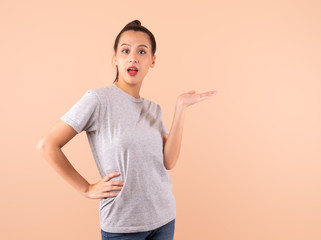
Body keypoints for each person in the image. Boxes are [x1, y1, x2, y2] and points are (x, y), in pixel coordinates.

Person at [36, 19, 217, 240]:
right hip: (123, 225)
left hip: (164, 219)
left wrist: (180, 108)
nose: (133, 57)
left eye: (142, 51)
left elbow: (169, 162)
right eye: (125, 50)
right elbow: (47, 145)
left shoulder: (154, 109)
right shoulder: (98, 100)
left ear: (152, 60)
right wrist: (86, 188)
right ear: (115, 58)